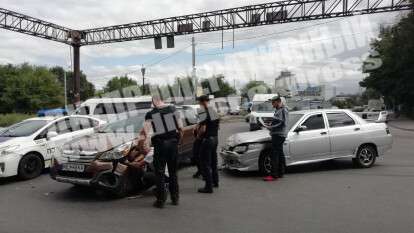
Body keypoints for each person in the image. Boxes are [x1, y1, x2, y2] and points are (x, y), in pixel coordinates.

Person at [142, 96, 183, 208]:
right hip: (173, 143)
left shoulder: (151, 114)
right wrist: (177, 141)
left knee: (159, 173)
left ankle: (161, 200)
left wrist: (146, 145)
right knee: (173, 172)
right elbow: (180, 128)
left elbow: (148, 133)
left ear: (154, 103)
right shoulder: (172, 109)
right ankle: (175, 198)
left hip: (160, 145)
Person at [196, 95, 220, 193]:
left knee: (205, 163)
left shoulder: (203, 112)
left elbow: (203, 128)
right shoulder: (214, 111)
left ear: (202, 102)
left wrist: (198, 135)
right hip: (215, 139)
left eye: (199, 102)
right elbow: (218, 125)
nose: (199, 104)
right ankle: (215, 181)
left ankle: (208, 187)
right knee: (214, 162)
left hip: (207, 140)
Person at [263, 96, 288, 181]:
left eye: (273, 102)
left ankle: (274, 175)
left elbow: (281, 123)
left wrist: (271, 127)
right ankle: (281, 172)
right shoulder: (278, 110)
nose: (272, 104)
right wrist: (270, 124)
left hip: (279, 134)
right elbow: (278, 121)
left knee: (275, 154)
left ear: (278, 102)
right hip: (278, 134)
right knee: (280, 153)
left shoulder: (283, 110)